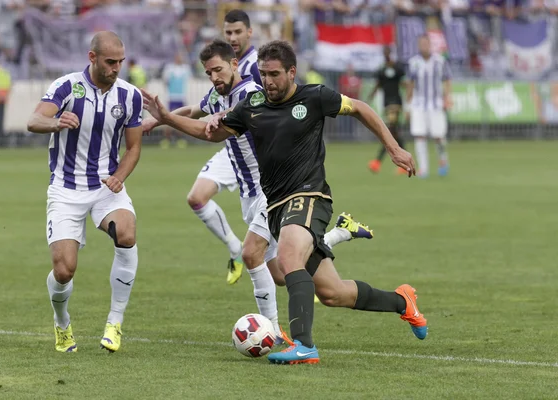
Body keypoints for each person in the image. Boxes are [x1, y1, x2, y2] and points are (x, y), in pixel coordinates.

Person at [142, 40, 427, 365]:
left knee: (284, 255)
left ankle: (303, 345)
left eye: (275, 74)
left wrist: (392, 147)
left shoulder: (316, 96)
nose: (268, 81)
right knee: (331, 293)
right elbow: (211, 133)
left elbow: (361, 107)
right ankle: (402, 302)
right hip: (277, 205)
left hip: (310, 195)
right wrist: (166, 118)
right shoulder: (252, 105)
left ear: (291, 72)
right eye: (263, 74)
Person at [26, 31, 143, 353]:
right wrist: (56, 123)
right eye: (110, 62)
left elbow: (133, 148)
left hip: (106, 186)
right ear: (92, 58)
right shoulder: (66, 86)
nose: (117, 68)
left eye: (121, 61)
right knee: (64, 270)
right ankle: (62, 323)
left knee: (127, 233)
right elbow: (34, 119)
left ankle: (114, 322)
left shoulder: (129, 95)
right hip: (65, 188)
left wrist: (120, 176)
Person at [143, 9, 262, 285]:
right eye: (228, 32)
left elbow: (262, 104)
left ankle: (315, 273)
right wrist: (157, 121)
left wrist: (229, 112)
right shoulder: (218, 66)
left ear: (249, 32)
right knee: (197, 197)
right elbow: (198, 109)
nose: (232, 37)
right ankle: (234, 247)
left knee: (276, 255)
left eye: (237, 32)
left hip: (255, 149)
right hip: (233, 146)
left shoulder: (257, 66)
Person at [405, 35, 452, 177]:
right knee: (419, 136)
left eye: (426, 43)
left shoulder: (440, 61)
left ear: (430, 45)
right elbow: (410, 85)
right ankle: (423, 168)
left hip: (436, 104)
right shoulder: (413, 62)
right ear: (418, 45)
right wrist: (408, 105)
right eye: (421, 44)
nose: (424, 46)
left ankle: (443, 160)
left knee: (438, 136)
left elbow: (447, 79)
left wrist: (447, 98)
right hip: (419, 104)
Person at [367, 46, 408, 175]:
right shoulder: (382, 69)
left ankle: (377, 162)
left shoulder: (397, 68)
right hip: (386, 104)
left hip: (395, 103)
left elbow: (403, 82)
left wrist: (411, 93)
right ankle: (404, 162)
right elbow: (379, 84)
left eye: (388, 52)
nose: (386, 54)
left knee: (389, 132)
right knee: (393, 134)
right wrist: (371, 96)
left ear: (391, 53)